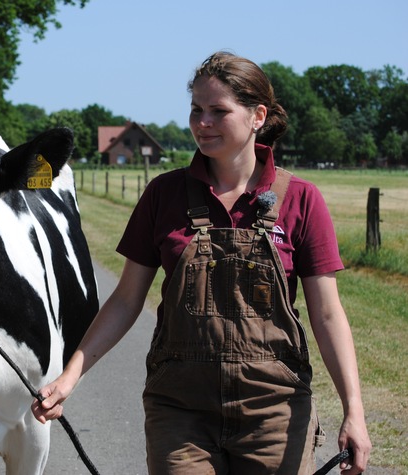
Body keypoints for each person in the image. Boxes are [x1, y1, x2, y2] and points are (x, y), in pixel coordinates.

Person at [32, 52, 371, 474]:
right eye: (196, 110)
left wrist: (353, 412)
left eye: (217, 111)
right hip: (180, 412)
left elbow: (327, 313)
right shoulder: (164, 194)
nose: (202, 122)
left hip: (275, 412)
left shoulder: (301, 199)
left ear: (257, 116)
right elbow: (125, 301)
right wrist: (69, 380)